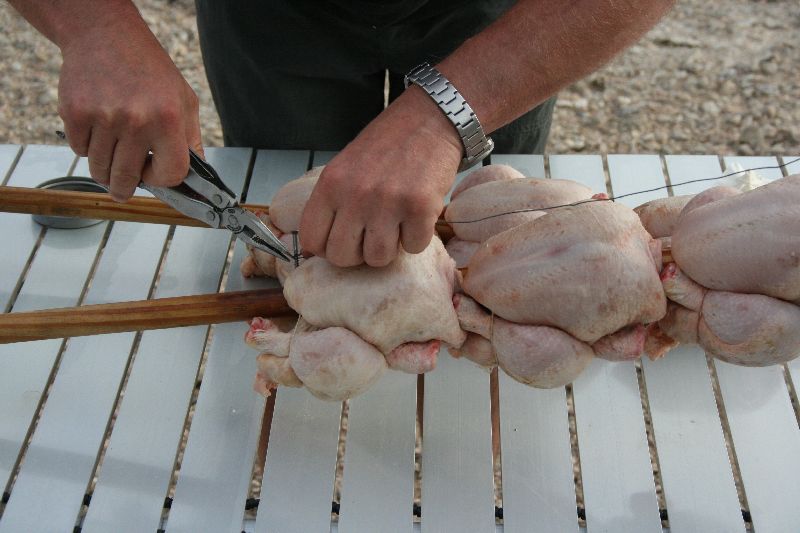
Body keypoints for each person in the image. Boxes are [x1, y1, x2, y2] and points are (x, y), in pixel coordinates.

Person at [10, 0, 675, 267]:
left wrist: (445, 116)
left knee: (488, 252)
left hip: (504, 15)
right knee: (289, 248)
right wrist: (96, 26)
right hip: (267, 14)